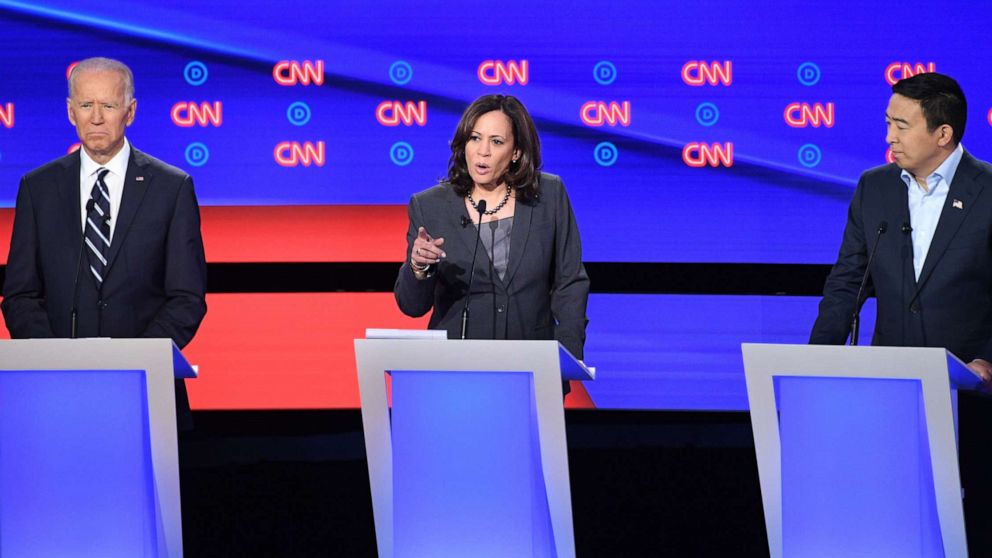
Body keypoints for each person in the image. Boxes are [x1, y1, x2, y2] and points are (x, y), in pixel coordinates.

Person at [2, 57, 207, 425]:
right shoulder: (38, 188)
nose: (96, 117)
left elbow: (186, 298)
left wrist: (135, 361)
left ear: (130, 112)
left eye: (108, 105)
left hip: (146, 390)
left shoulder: (171, 188)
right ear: (70, 112)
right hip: (56, 392)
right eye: (85, 105)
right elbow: (20, 294)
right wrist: (56, 361)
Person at [810, 72, 992, 385]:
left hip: (969, 387)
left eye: (901, 126)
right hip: (891, 385)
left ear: (943, 134)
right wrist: (812, 362)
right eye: (888, 123)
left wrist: (987, 359)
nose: (889, 137)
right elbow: (846, 284)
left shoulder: (987, 190)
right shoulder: (874, 187)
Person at [394, 94, 589, 361]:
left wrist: (565, 357)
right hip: (456, 370)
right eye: (475, 138)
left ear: (516, 152)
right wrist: (418, 268)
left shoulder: (549, 196)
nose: (482, 151)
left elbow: (570, 283)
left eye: (496, 142)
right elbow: (412, 306)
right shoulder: (430, 206)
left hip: (533, 366)